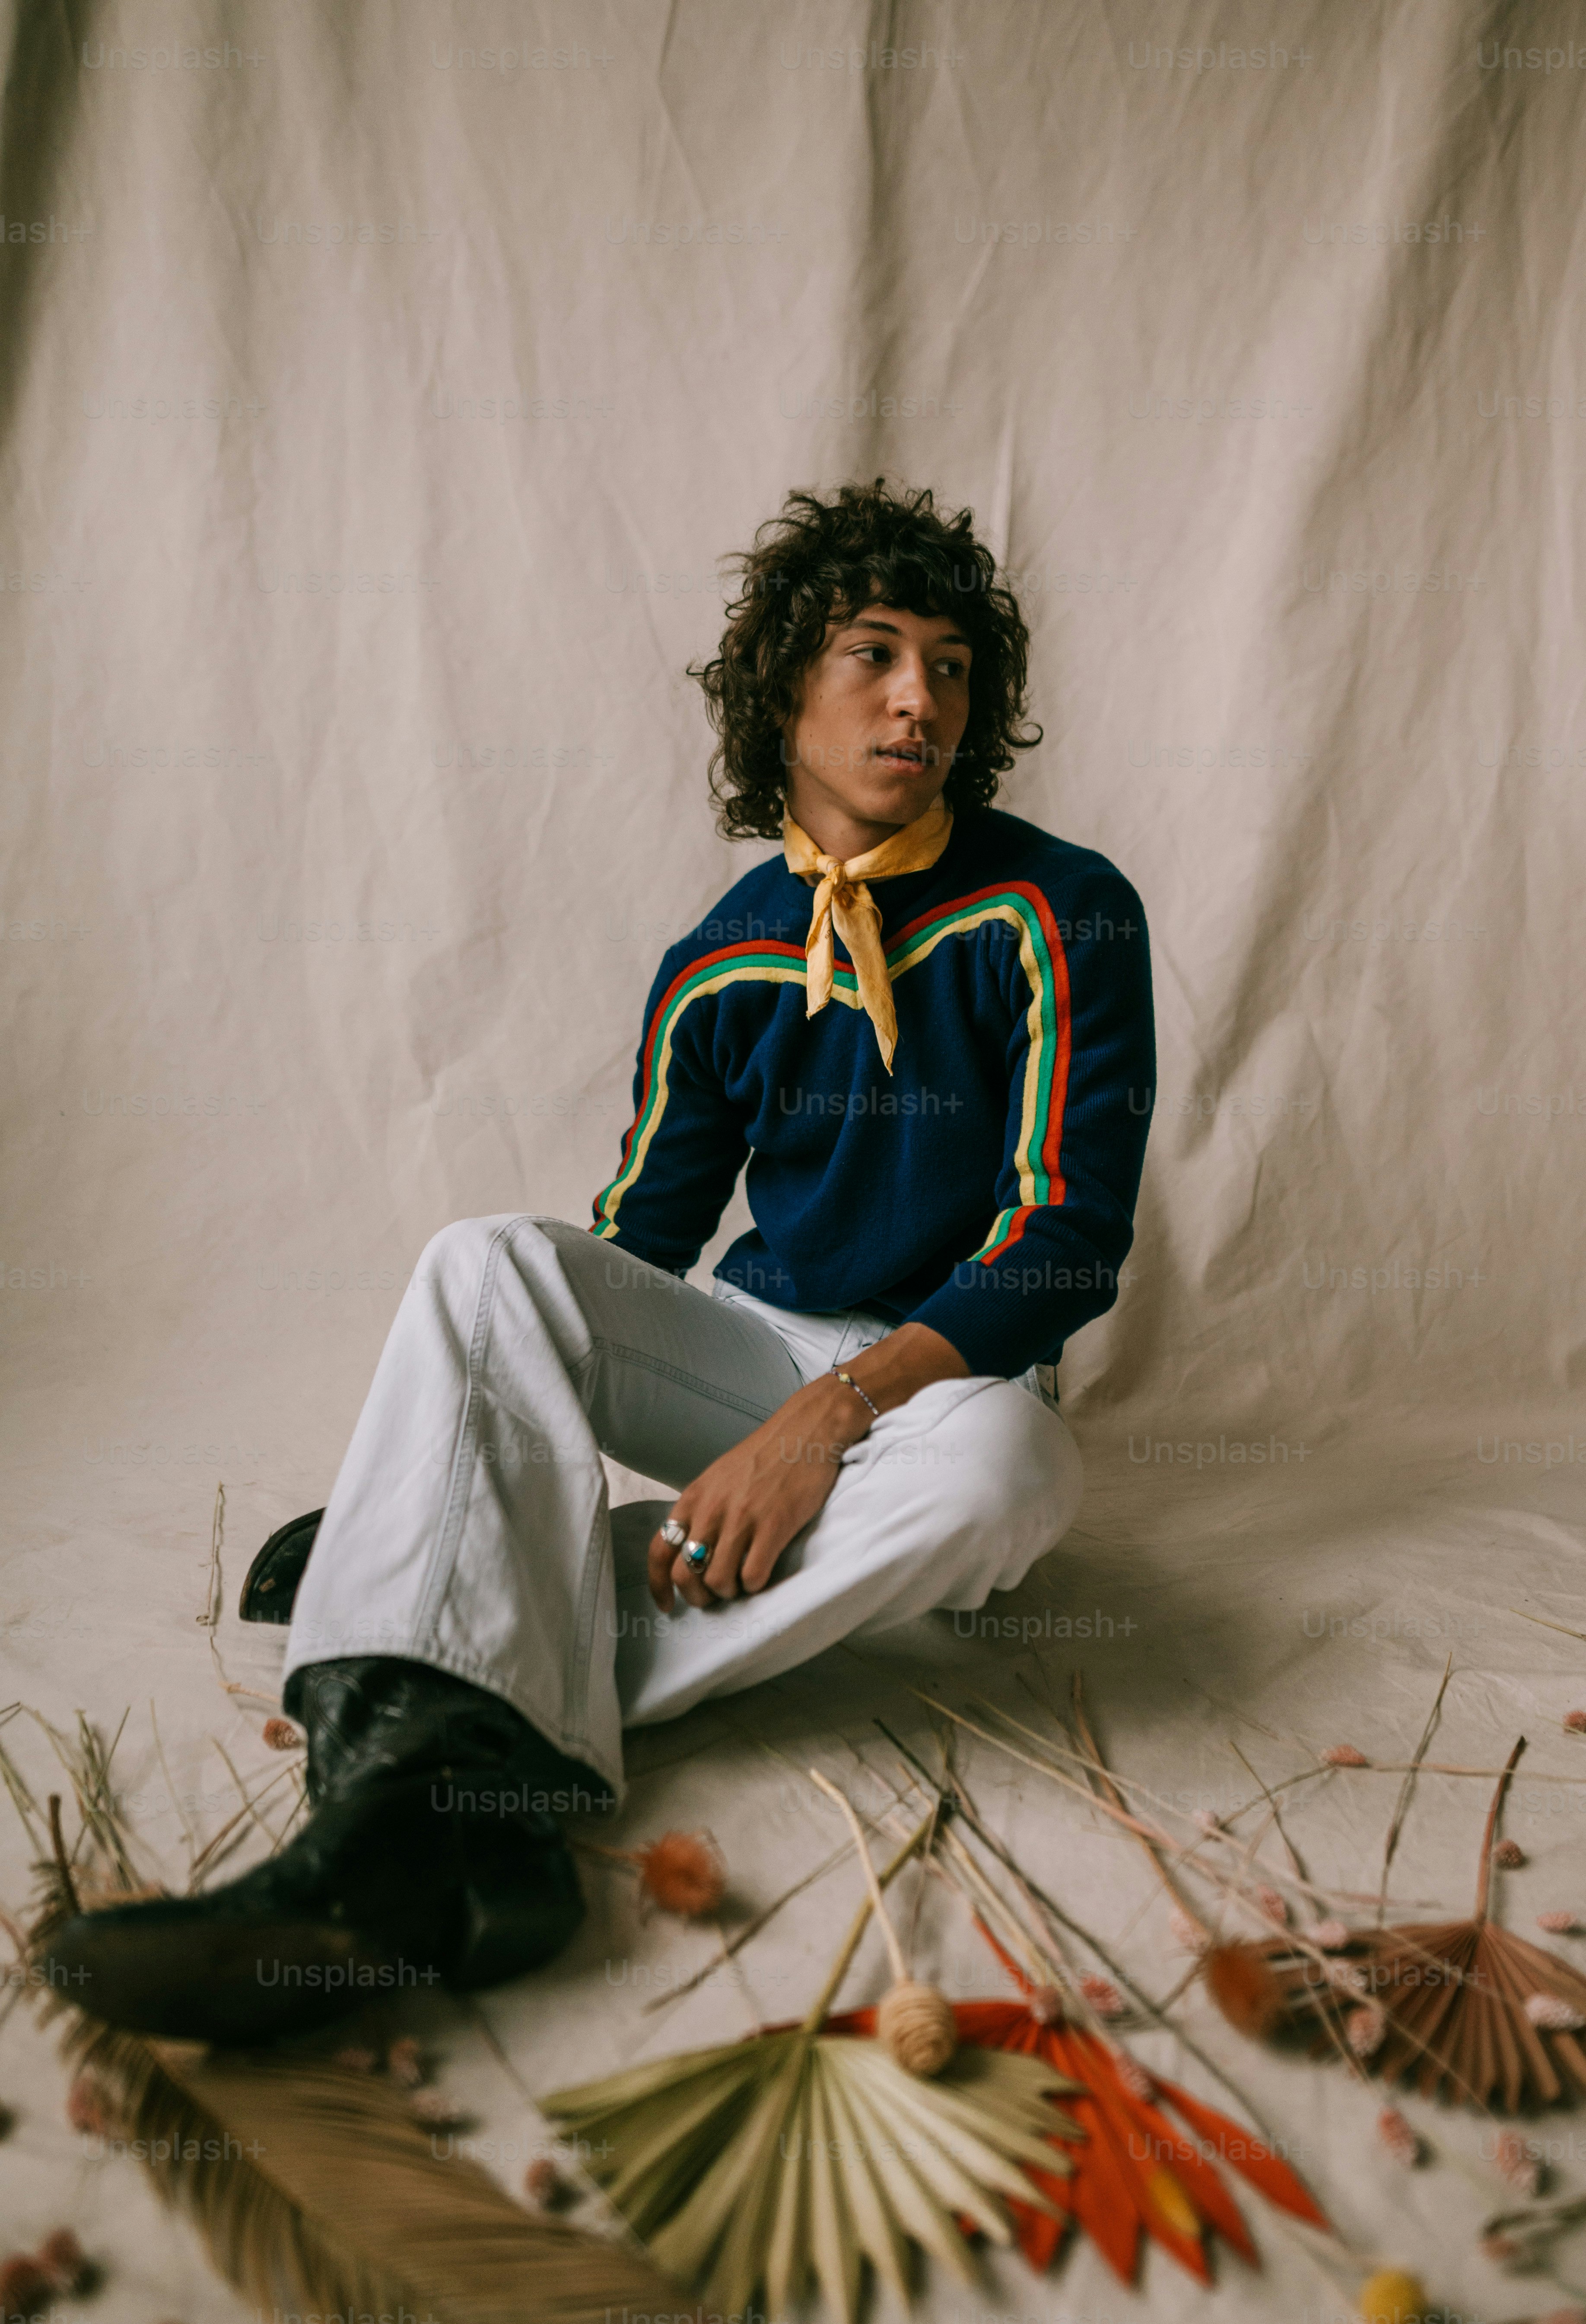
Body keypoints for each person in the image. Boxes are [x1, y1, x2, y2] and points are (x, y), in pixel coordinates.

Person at [50, 480, 1155, 2040]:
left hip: (939, 1388)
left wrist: (826, 1417)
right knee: (492, 1259)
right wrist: (742, 1392)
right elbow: (630, 1248)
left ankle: (424, 1609)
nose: (924, 698)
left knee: (1018, 1478)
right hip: (750, 1347)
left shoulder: (1066, 909)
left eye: (955, 666)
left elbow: (1064, 1244)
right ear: (786, 686)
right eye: (876, 653)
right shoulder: (718, 962)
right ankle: (419, 1828)